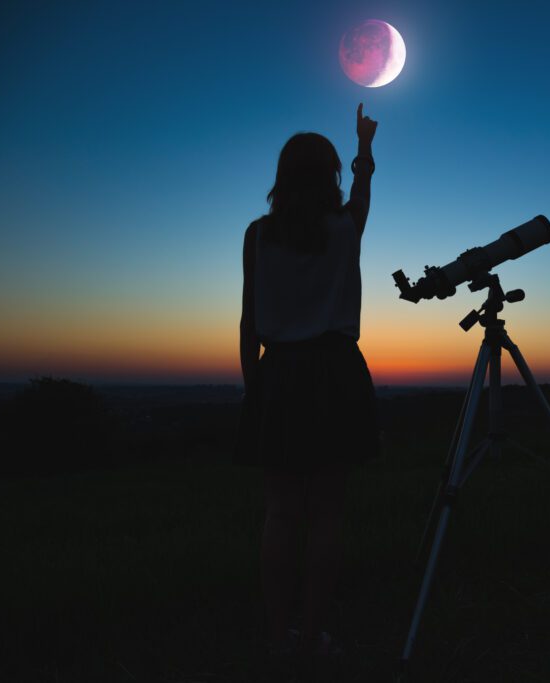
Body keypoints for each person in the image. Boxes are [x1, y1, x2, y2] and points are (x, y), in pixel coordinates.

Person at [236, 103, 381, 679]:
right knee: (325, 514)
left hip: (279, 374)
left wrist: (255, 388)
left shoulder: (257, 235)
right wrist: (365, 146)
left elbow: (249, 320)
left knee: (280, 513)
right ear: (330, 177)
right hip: (335, 373)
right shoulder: (345, 228)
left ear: (281, 177)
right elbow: (364, 191)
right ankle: (314, 634)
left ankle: (279, 637)